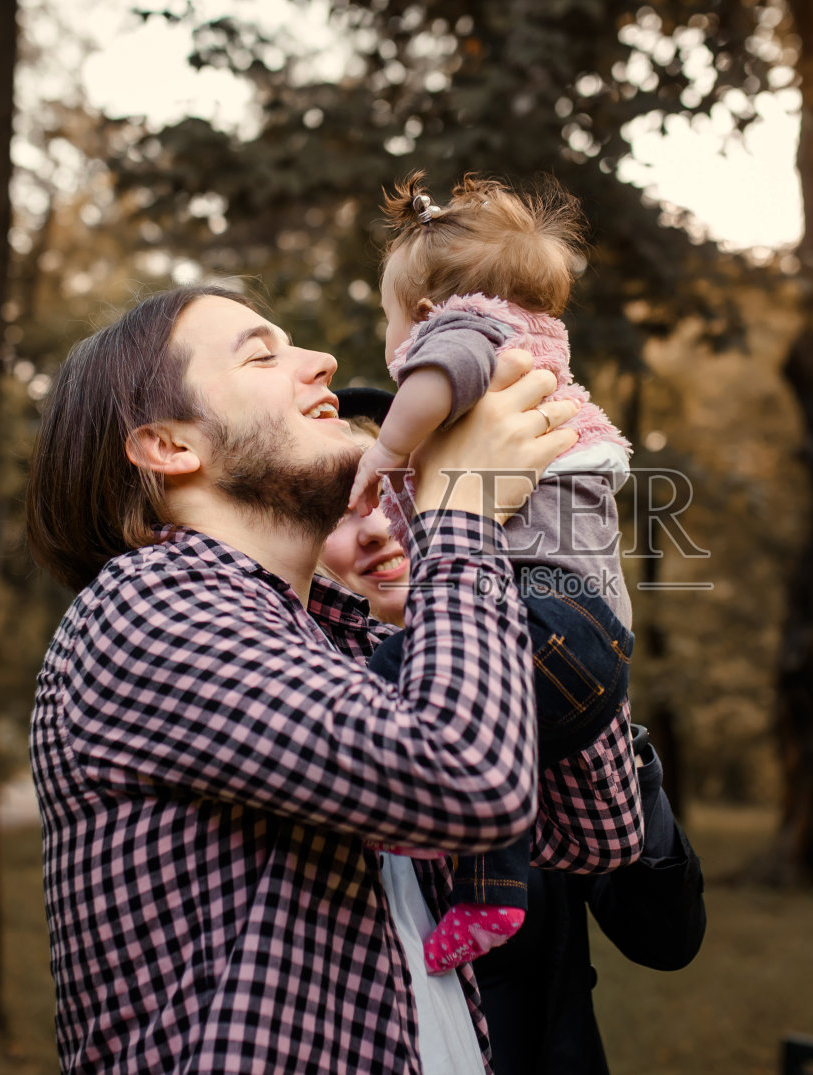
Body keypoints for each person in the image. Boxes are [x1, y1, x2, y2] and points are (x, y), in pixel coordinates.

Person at [22, 285, 643, 1075]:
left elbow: (594, 831)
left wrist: (543, 535)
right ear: (170, 446)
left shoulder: (342, 644)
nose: (321, 362)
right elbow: (465, 779)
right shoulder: (146, 608)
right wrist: (463, 511)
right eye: (262, 355)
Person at [324, 390, 706, 1075]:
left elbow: (665, 937)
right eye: (341, 511)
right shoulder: (308, 715)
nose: (378, 527)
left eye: (400, 491)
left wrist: (612, 730)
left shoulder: (550, 684)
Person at [346, 172, 638, 975]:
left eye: (388, 319)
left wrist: (389, 447)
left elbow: (438, 373)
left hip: (545, 616)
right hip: (592, 639)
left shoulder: (469, 332)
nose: (395, 340)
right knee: (489, 717)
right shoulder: (539, 348)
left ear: (424, 312)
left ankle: (408, 804)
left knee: (400, 672)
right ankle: (489, 894)